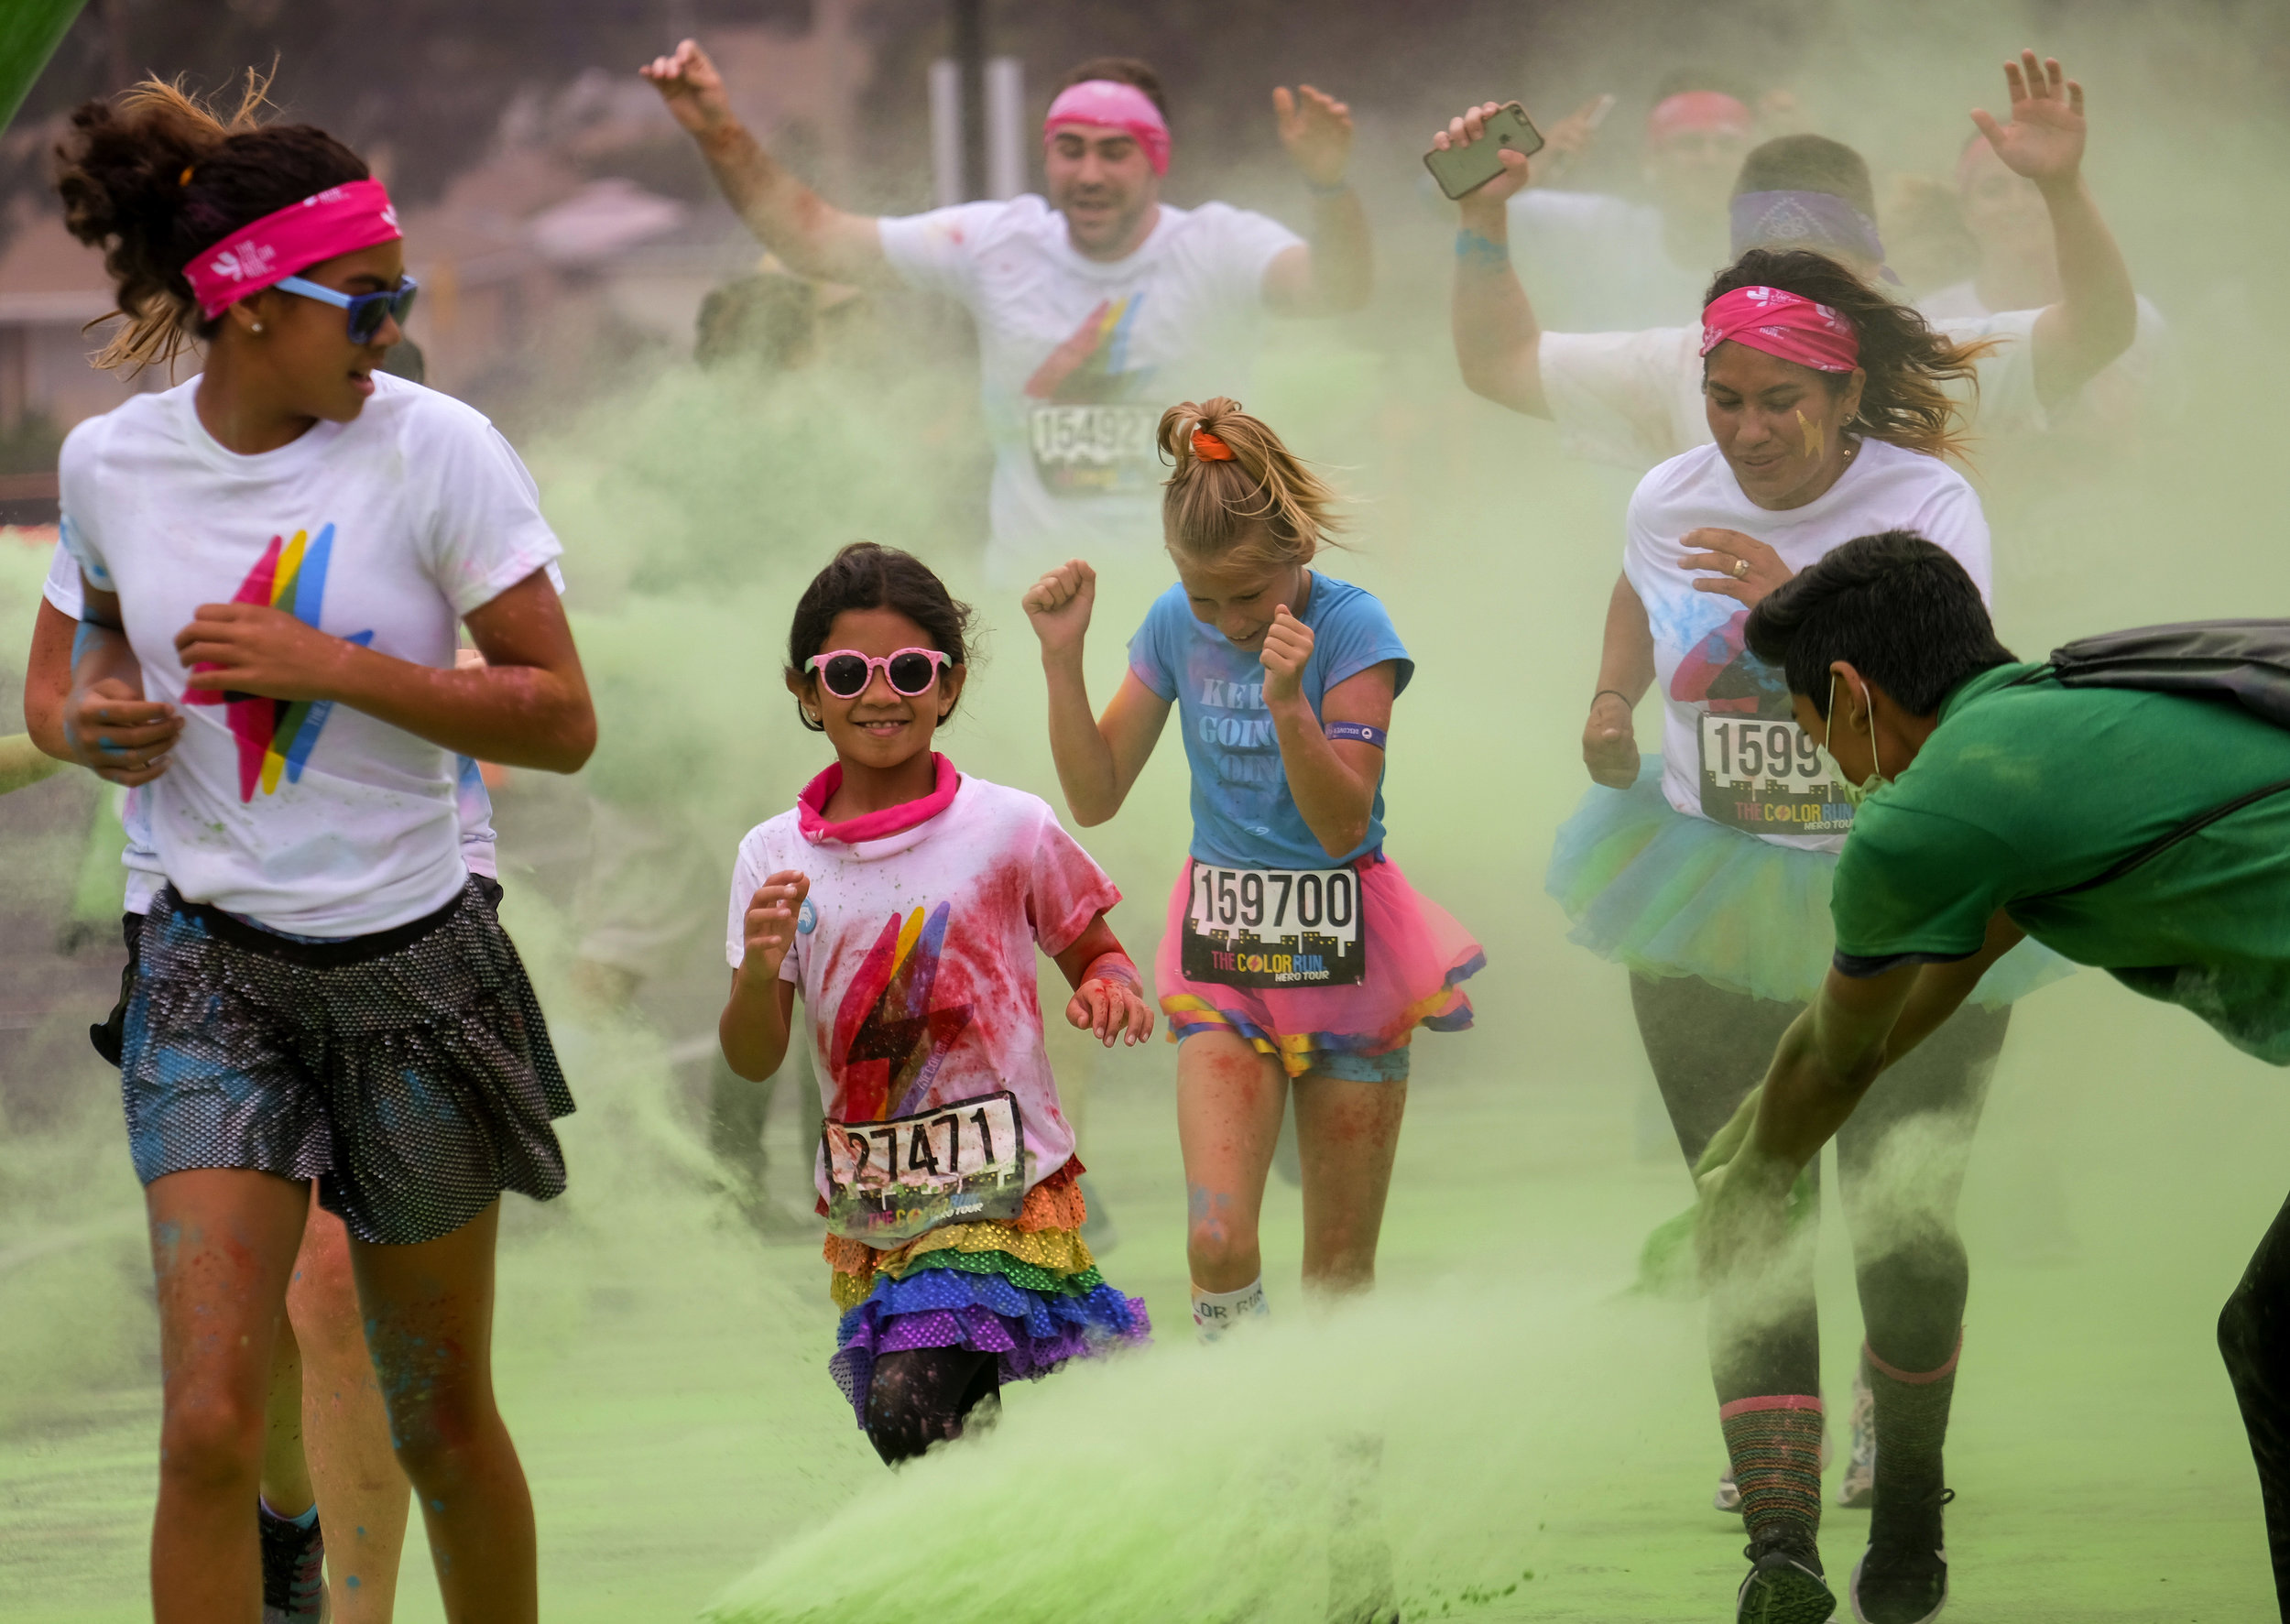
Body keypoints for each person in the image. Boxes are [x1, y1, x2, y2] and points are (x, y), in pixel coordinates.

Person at [49, 77, 594, 1621]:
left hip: (419, 972)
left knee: (437, 1418)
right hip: (209, 976)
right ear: (241, 306)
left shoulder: (444, 450)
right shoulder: (111, 467)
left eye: (396, 298)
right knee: (210, 1425)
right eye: (366, 302)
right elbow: (96, 636)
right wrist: (103, 713)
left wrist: (332, 663)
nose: (393, 328)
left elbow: (559, 717)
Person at [1541, 252, 2074, 1613]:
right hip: (1702, 881)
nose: (1749, 428)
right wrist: (1610, 703)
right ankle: (1778, 1553)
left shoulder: (1928, 501)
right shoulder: (1668, 491)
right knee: (1743, 1206)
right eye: (1725, 397)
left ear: (1846, 400)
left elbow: (1950, 708)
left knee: (1904, 1226)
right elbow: (1638, 582)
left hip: (1902, 891)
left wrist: (1794, 590)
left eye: (1781, 400)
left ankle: (1908, 1520)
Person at [1695, 531, 2290, 1623]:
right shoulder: (2051, 716)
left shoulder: (1927, 814)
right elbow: (1934, 983)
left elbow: (1837, 1053)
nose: (1820, 753)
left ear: (1848, 690)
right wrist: (1759, 1127)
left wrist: (1751, 1183)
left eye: (1808, 722)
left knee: (2281, 1345)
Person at [1022, 398, 1483, 1340]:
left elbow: (1343, 823)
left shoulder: (1355, 630)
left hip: (1349, 962)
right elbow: (1096, 793)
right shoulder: (1167, 626)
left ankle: (1335, 1472)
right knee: (1218, 1237)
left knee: (1338, 1274)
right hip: (1224, 957)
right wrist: (1062, 663)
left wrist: (1287, 703)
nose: (1229, 621)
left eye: (1250, 596)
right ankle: (1249, 1439)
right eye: (1205, 599)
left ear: (1299, 548)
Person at [719, 541, 1151, 1466]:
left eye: (910, 670)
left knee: (907, 1410)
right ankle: (1020, 1556)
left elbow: (1094, 949)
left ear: (948, 686)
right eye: (848, 673)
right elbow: (754, 1056)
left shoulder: (1010, 825)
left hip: (999, 1189)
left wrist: (1112, 988)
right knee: (929, 1436)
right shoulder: (771, 859)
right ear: (804, 690)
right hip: (877, 1204)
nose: (882, 694)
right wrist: (757, 976)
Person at [641, 41, 1372, 582]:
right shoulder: (998, 242)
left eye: (1115, 152)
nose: (1088, 173)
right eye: (1070, 150)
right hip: (1036, 610)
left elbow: (1336, 287)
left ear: (1157, 160)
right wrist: (719, 133)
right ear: (1048, 157)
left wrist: (1330, 188)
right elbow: (817, 242)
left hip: (1195, 605)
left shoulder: (1216, 245)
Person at [1442, 51, 2139, 476]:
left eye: (1821, 274)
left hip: (1894, 711)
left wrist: (2061, 188)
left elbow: (2099, 329)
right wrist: (1481, 218)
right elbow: (1498, 364)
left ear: (1869, 268)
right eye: (1769, 276)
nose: (1791, 302)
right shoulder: (1680, 369)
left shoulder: (1936, 364)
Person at [1502, 71, 1760, 331]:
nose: (1710, 159)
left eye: (1727, 145)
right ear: (1651, 159)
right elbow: (1481, 216)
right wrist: (1535, 168)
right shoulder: (1601, 232)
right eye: (1690, 144)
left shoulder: (1776, 259)